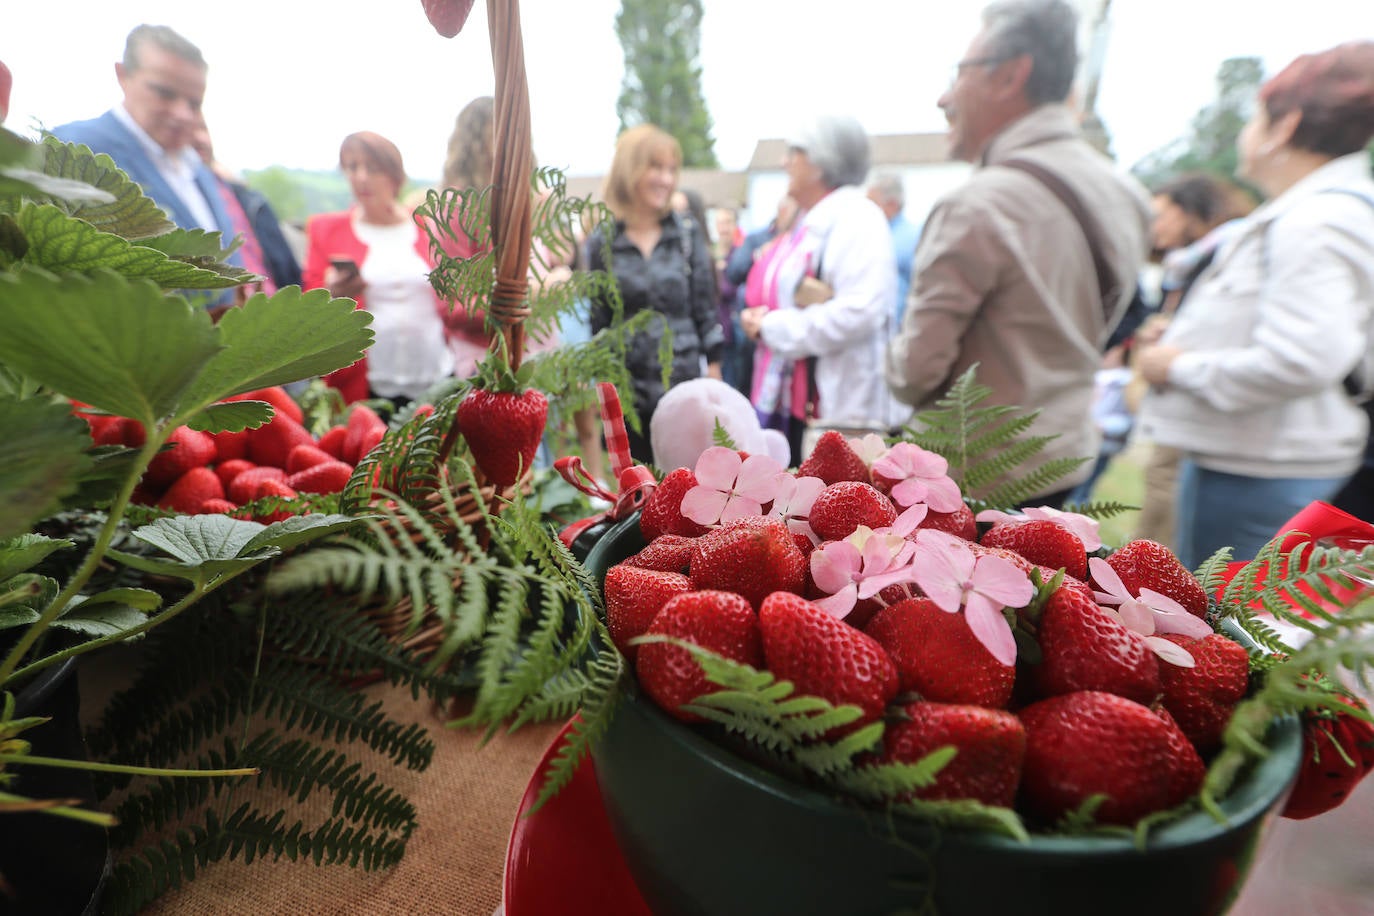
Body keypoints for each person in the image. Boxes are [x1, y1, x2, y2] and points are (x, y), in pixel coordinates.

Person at [883, 0, 1151, 508]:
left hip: (968, 482)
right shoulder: (1128, 194)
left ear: (1010, 76)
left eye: (958, 73)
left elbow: (913, 373)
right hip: (1066, 454)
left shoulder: (976, 204)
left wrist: (887, 350)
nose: (944, 97)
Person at [1136, 41, 1374, 568]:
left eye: (1252, 118)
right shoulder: (1310, 214)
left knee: (1241, 628)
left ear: (1284, 126)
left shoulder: (1316, 222)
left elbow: (1305, 356)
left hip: (1266, 470)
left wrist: (1179, 365)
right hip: (1255, 459)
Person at [739, 115, 902, 465]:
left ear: (819, 162)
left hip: (843, 409)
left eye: (793, 153)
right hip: (804, 400)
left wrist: (774, 327)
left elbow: (860, 311)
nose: (785, 163)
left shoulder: (858, 218)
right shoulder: (812, 219)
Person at [52, 24, 243, 310]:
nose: (182, 114)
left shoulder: (198, 169)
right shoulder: (76, 151)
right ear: (123, 75)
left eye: (194, 103)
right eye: (164, 93)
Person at [1122, 173, 1255, 539]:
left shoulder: (1228, 250)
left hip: (1201, 396)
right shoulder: (1187, 263)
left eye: (1161, 215)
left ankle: (1149, 583)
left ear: (1191, 210)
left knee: (1167, 485)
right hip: (1186, 393)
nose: (1153, 228)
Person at [586, 124, 722, 465]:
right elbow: (599, 322)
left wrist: (715, 371)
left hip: (684, 382)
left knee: (689, 484)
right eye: (656, 167)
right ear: (630, 170)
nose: (666, 178)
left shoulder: (687, 235)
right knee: (637, 491)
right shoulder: (601, 242)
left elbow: (706, 311)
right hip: (628, 391)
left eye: (671, 169)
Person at [303, 131, 452, 406]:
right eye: (352, 167)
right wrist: (331, 292)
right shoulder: (326, 229)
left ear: (394, 175)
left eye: (372, 168)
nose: (360, 177)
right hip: (367, 385)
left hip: (436, 374)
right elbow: (309, 305)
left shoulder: (427, 227)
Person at [189, 115, 301, 299]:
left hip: (274, 308)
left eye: (203, 129)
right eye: (192, 131)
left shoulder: (249, 199)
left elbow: (288, 270)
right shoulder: (187, 202)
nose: (200, 139)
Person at [866, 172, 923, 326]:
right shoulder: (872, 236)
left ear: (891, 204)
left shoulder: (910, 238)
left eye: (871, 204)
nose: (865, 211)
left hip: (899, 333)